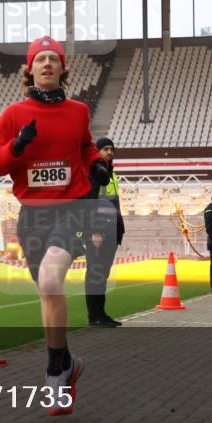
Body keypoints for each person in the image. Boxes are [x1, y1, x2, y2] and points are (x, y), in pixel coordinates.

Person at [0, 35, 110, 415]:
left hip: (73, 210)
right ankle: (68, 363)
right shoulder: (13, 115)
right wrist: (17, 148)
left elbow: (86, 146)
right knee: (46, 289)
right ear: (30, 69)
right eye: (39, 59)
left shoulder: (78, 112)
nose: (46, 64)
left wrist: (95, 164)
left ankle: (55, 373)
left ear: (62, 69)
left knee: (53, 281)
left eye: (52, 59)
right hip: (33, 215)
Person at [83, 137, 124, 327]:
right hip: (99, 233)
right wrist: (95, 231)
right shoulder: (94, 173)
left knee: (102, 274)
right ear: (97, 152)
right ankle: (95, 316)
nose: (109, 152)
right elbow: (90, 204)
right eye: (105, 149)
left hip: (112, 231)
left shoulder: (112, 174)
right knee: (96, 273)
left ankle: (101, 314)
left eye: (112, 149)